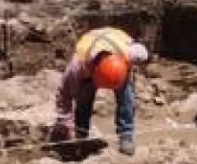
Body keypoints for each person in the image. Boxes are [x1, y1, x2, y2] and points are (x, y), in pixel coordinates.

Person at [51, 26, 150, 156]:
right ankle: (81, 135)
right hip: (91, 58)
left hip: (117, 58)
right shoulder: (78, 67)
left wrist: (133, 64)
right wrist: (65, 122)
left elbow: (143, 53)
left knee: (127, 98)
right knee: (83, 100)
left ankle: (126, 136)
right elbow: (65, 95)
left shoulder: (128, 54)